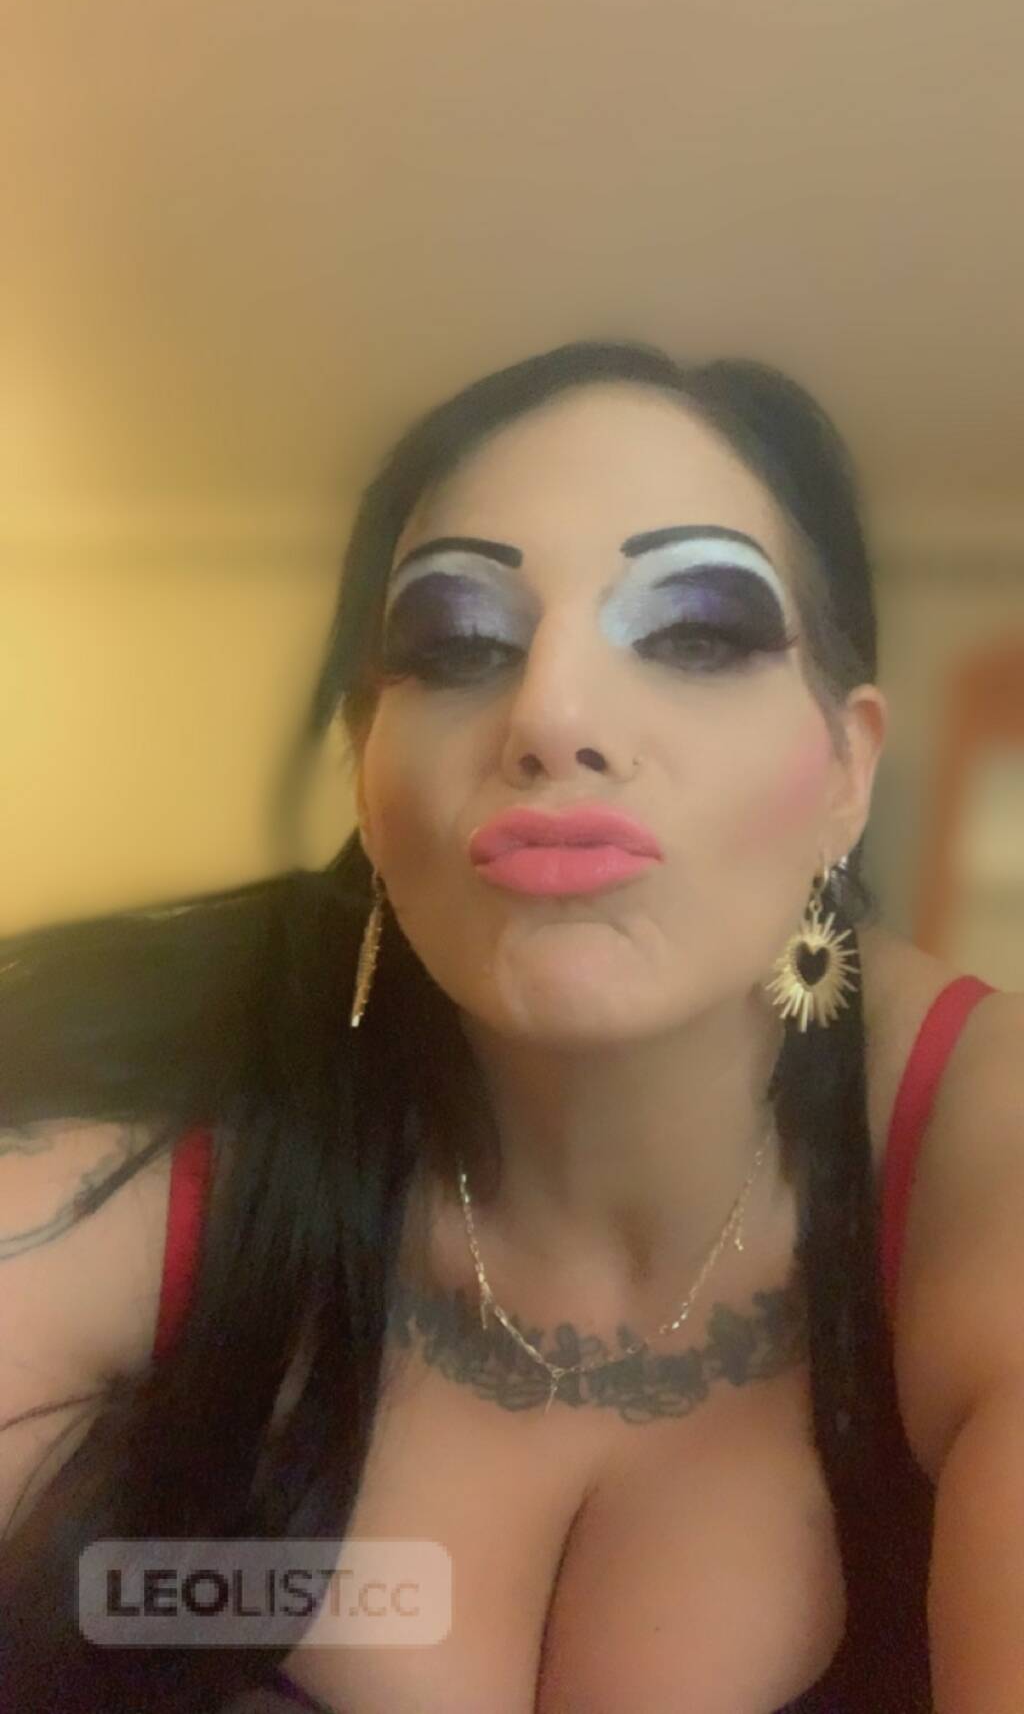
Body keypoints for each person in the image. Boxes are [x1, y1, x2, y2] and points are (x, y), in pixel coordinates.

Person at [0, 339, 1019, 1714]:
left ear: (849, 768)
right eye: (458, 643)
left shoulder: (984, 1150)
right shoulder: (152, 1154)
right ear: (367, 777)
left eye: (696, 631)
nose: (551, 713)